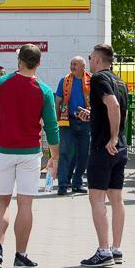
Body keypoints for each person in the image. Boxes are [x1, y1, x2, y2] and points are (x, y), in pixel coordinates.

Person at [0, 44, 59, 268]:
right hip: (30, 152)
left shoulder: (0, 83)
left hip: (4, 149)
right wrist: (54, 156)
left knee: (1, 201)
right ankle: (21, 256)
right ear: (38, 63)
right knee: (25, 204)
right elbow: (52, 127)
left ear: (19, 61)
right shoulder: (44, 90)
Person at [81, 43, 130, 268]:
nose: (89, 61)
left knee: (96, 198)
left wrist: (111, 137)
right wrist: (92, 115)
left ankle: (103, 251)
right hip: (120, 148)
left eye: (91, 57)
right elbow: (112, 107)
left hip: (104, 147)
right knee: (116, 199)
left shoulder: (99, 79)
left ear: (98, 60)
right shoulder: (119, 81)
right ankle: (116, 249)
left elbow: (113, 105)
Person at [55, 55, 91, 196]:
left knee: (83, 154)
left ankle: (77, 184)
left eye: (75, 64)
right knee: (65, 153)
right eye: (71, 63)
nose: (72, 66)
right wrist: (57, 118)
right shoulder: (64, 81)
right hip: (67, 121)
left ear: (83, 66)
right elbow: (58, 101)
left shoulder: (91, 81)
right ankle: (62, 185)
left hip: (85, 122)